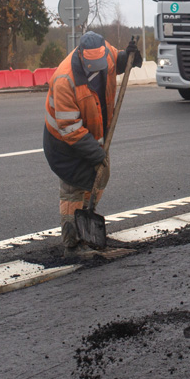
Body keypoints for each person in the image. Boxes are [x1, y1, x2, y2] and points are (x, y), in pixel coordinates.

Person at [43, 30, 142, 254]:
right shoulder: (64, 80)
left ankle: (87, 218)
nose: (99, 69)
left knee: (100, 176)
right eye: (93, 66)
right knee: (73, 188)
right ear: (81, 56)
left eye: (101, 64)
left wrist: (129, 58)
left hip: (94, 135)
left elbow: (118, 62)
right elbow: (70, 128)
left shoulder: (105, 54)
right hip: (64, 143)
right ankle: (72, 241)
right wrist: (95, 153)